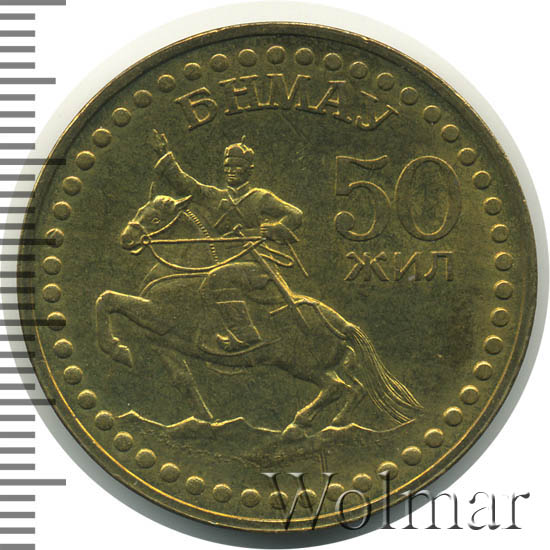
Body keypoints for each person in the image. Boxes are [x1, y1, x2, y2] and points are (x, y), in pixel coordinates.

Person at [152, 130, 304, 352]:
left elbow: (295, 215)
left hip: (256, 262)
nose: (231, 171)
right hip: (222, 259)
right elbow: (188, 185)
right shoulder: (215, 196)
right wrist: (165, 155)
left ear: (249, 170)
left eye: (237, 167)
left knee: (217, 278)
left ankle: (245, 335)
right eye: (227, 167)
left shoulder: (260, 197)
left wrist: (270, 230)